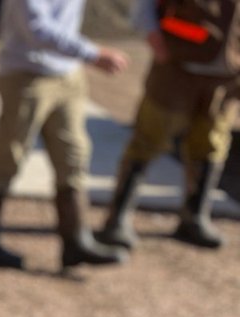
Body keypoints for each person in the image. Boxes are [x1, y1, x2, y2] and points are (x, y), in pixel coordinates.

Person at [0, 0, 131, 269]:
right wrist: (92, 54)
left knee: (74, 155)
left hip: (67, 75)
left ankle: (76, 241)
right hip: (26, 74)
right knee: (10, 156)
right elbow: (36, 28)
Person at [97, 0, 239, 250]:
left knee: (211, 144)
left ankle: (194, 218)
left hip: (225, 77)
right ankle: (117, 219)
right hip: (176, 70)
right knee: (148, 141)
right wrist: (157, 42)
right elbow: (144, 7)